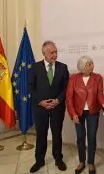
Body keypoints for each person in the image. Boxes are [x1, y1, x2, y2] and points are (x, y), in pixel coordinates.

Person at [28, 41, 69, 173]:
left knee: (57, 134)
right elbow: (30, 87)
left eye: (56, 52)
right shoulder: (35, 67)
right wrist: (41, 101)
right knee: (41, 135)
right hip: (41, 108)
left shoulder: (63, 67)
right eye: (52, 52)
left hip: (57, 107)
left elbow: (66, 88)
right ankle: (39, 160)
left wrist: (58, 100)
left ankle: (58, 159)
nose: (55, 55)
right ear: (44, 53)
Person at [66, 56, 104, 174]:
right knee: (80, 138)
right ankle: (81, 161)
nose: (92, 66)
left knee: (91, 138)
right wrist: (73, 114)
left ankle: (91, 162)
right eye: (88, 64)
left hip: (93, 112)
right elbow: (69, 98)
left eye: (92, 64)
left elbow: (100, 94)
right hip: (78, 113)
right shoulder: (73, 78)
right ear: (82, 66)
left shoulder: (97, 78)